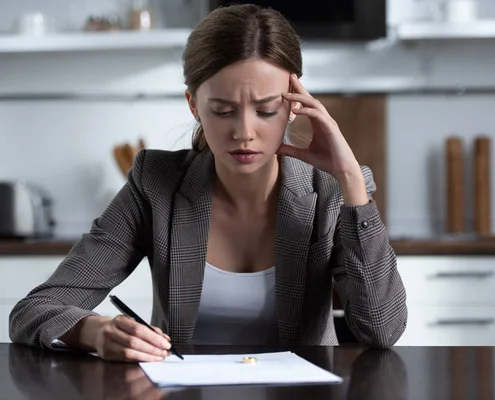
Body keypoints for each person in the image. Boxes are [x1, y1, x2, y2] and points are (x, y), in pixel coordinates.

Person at [9, 4, 407, 363]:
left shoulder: (330, 191)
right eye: (223, 111)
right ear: (194, 105)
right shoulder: (157, 184)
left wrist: (350, 177)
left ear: (292, 105)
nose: (244, 132)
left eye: (266, 110)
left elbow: (383, 330)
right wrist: (95, 333)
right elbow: (36, 309)